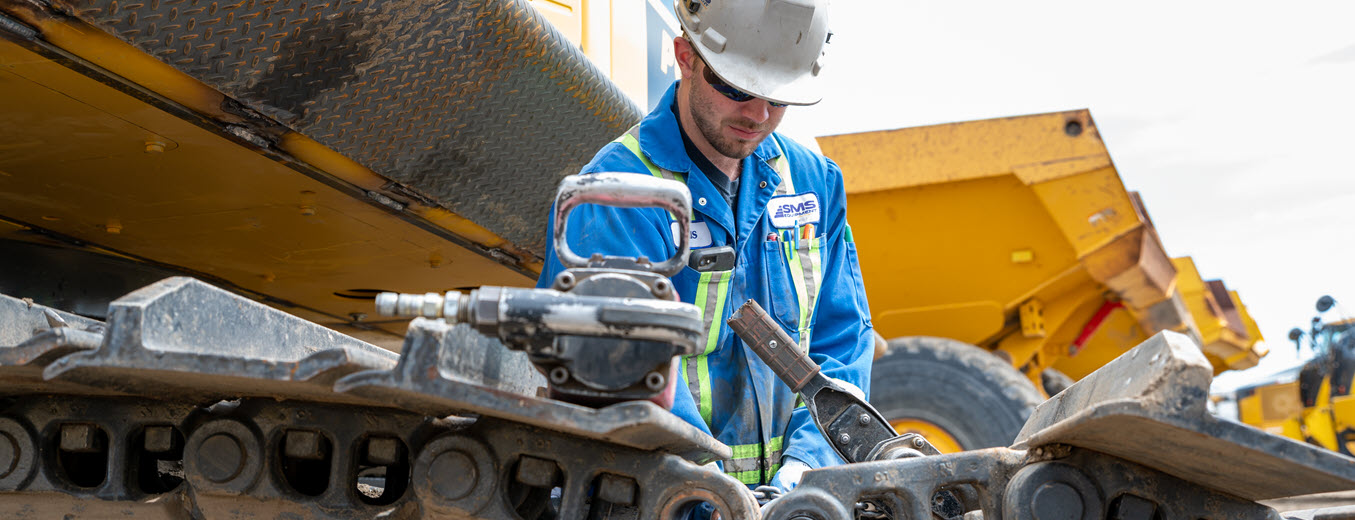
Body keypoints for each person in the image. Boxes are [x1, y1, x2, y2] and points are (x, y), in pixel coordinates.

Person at [537, 0, 874, 496]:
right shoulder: (616, 192)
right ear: (686, 57)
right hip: (658, 499)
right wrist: (707, 490)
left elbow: (842, 337)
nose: (758, 115)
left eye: (778, 99)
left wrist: (805, 469)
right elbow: (615, 365)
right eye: (737, 88)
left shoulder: (812, 184)